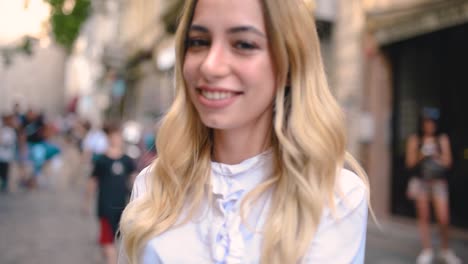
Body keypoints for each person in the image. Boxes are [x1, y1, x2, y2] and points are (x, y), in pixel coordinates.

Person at [119, 0, 370, 263]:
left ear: (290, 64)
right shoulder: (154, 186)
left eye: (243, 44)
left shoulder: (335, 196)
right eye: (198, 42)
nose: (210, 66)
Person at [406, 108, 461, 264]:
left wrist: (436, 153)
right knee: (424, 217)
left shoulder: (442, 139)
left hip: (438, 182)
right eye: (426, 122)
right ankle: (427, 250)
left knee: (443, 218)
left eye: (432, 122)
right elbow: (409, 163)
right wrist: (422, 153)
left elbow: (448, 162)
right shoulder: (415, 139)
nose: (429, 125)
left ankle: (445, 250)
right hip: (421, 181)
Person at [85, 123, 136, 264]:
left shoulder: (127, 160)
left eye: (118, 137)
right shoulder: (101, 160)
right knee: (107, 242)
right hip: (105, 206)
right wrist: (87, 202)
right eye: (113, 137)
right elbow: (92, 181)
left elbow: (133, 180)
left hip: (122, 206)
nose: (116, 139)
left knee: (116, 242)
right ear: (108, 138)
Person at [0, 114, 17, 192]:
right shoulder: (2, 130)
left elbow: (10, 142)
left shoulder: (11, 131)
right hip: (1, 155)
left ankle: (4, 184)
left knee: (5, 171)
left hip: (6, 156)